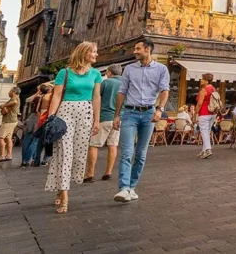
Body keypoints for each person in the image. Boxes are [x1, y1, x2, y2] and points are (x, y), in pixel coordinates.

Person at [44, 42, 102, 214]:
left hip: (86, 113)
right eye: (93, 52)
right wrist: (51, 117)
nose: (95, 55)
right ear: (83, 53)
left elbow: (96, 97)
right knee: (64, 153)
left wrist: (96, 120)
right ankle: (65, 197)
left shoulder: (96, 74)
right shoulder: (65, 72)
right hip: (66, 112)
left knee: (78, 156)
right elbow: (56, 96)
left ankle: (60, 188)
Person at [112, 37, 170, 204]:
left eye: (138, 48)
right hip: (130, 113)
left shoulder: (161, 69)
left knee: (141, 154)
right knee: (126, 152)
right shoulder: (129, 69)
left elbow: (164, 90)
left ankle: (132, 187)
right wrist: (117, 115)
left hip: (149, 114)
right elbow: (122, 92)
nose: (135, 51)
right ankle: (123, 188)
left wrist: (160, 109)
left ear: (147, 49)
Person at [84, 64, 123, 181]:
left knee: (94, 145)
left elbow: (95, 97)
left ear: (110, 72)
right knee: (113, 145)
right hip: (118, 119)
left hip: (104, 117)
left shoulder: (105, 83)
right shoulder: (125, 84)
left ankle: (90, 173)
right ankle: (108, 171)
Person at [0, 87, 20, 163]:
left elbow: (14, 102)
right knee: (8, 138)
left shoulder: (14, 98)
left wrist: (4, 105)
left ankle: (2, 156)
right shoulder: (15, 99)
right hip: (12, 120)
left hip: (8, 121)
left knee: (0, 137)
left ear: (13, 92)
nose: (8, 93)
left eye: (10, 91)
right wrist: (4, 108)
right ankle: (9, 155)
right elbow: (5, 111)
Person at [194, 72, 217, 159]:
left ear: (206, 81)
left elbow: (199, 104)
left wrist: (195, 113)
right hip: (213, 113)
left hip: (204, 113)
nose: (201, 80)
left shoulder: (203, 90)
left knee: (204, 132)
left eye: (203, 79)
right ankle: (204, 151)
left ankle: (208, 149)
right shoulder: (214, 89)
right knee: (207, 131)